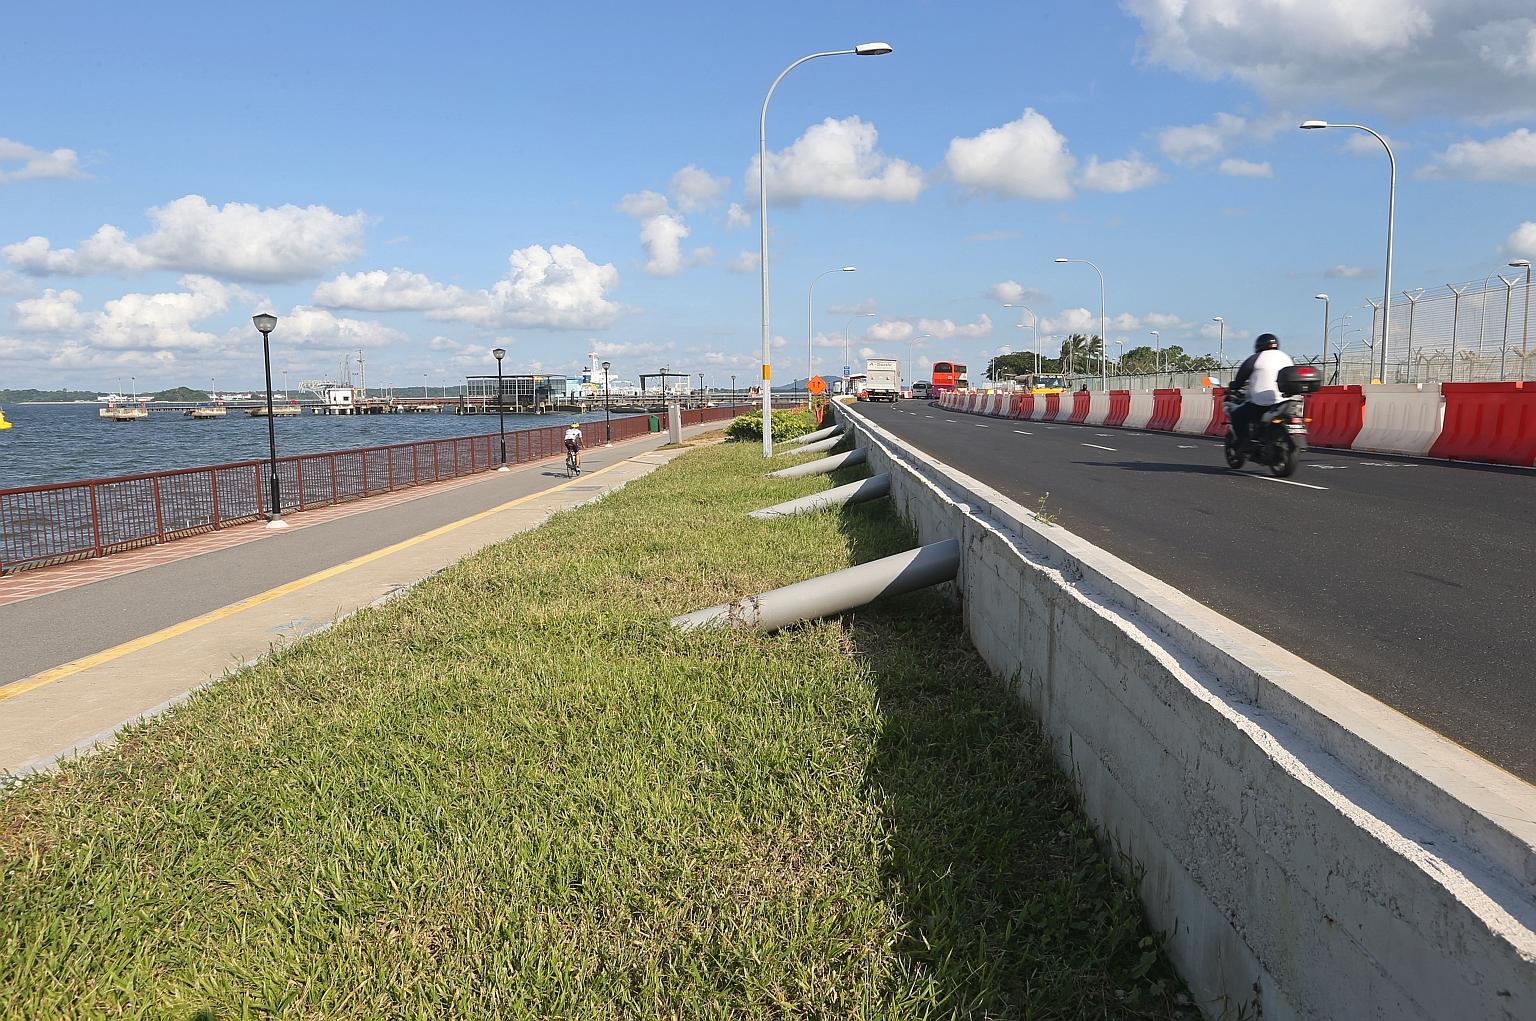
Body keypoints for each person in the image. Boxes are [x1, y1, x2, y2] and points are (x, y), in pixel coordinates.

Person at [1228, 333, 1294, 446]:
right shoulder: (1286, 357)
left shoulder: (1256, 358)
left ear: (1259, 345)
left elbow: (1241, 377)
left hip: (1262, 403)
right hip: (1284, 401)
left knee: (1237, 415)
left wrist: (1234, 386)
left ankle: (1243, 442)